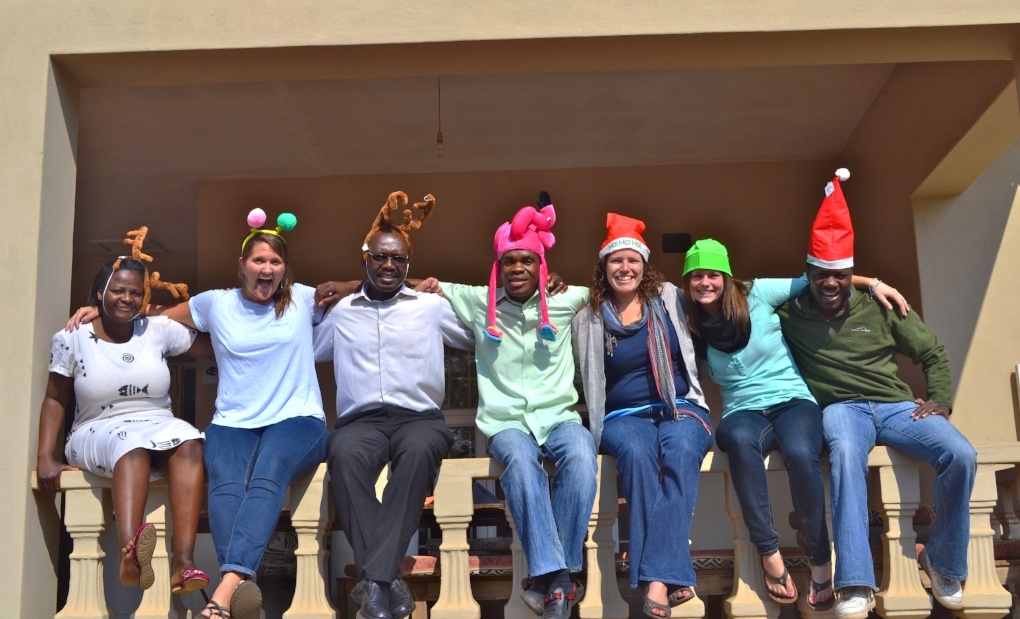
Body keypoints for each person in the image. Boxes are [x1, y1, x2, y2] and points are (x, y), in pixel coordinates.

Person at [69, 210, 329, 619]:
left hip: (297, 419)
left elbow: (356, 290)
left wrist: (423, 286)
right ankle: (240, 583)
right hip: (233, 421)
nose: (267, 268)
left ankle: (227, 586)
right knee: (223, 481)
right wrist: (99, 312)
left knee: (267, 472)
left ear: (285, 270)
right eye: (258, 260)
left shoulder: (302, 299)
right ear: (242, 266)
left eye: (275, 262)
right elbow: (152, 321)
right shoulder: (216, 303)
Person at [777, 169, 977, 619]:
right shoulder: (791, 313)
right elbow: (748, 289)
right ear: (808, 273)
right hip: (841, 409)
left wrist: (941, 398)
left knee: (961, 455)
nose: (832, 284)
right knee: (846, 455)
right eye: (822, 274)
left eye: (843, 275)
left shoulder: (883, 306)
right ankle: (856, 583)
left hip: (897, 406)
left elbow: (932, 352)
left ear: (851, 273)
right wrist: (871, 277)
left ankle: (942, 561)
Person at [680, 236, 909, 610]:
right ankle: (769, 553)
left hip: (792, 401)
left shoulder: (759, 293)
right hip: (743, 410)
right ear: (687, 282)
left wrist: (874, 283)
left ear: (726, 276)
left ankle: (820, 561)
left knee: (802, 451)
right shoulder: (688, 319)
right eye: (696, 276)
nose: (704, 282)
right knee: (735, 440)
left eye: (712, 274)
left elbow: (824, 278)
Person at [312, 192, 473, 619]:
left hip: (419, 418)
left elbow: (479, 333)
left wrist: (456, 292)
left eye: (398, 260)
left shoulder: (431, 308)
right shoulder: (343, 312)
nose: (389, 266)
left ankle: (375, 581)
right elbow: (305, 350)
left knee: (419, 453)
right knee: (342, 456)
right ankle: (388, 582)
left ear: (408, 263)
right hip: (360, 421)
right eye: (381, 258)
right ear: (365, 259)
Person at [432, 203, 596, 619]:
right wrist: (347, 285)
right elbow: (423, 285)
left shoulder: (569, 299)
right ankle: (559, 579)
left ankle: (554, 578)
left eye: (528, 260)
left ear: (541, 264)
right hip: (506, 423)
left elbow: (619, 289)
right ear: (499, 266)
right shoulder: (478, 302)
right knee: (522, 466)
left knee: (580, 455)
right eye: (510, 261)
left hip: (559, 417)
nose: (517, 267)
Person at [38, 240, 210, 596]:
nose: (127, 298)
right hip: (95, 429)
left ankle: (184, 563)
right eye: (118, 290)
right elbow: (56, 399)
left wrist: (165, 310)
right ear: (100, 293)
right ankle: (131, 555)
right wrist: (46, 457)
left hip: (157, 420)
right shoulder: (72, 337)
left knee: (191, 441)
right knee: (132, 448)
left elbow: (212, 343)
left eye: (136, 292)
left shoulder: (156, 329)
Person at [573, 213, 711, 619]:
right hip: (622, 417)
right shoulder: (589, 317)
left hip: (680, 406)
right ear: (604, 267)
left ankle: (655, 579)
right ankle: (672, 575)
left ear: (644, 265)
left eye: (633, 260)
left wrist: (869, 282)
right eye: (616, 261)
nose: (625, 268)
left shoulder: (670, 298)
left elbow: (726, 293)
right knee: (636, 455)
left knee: (682, 449)